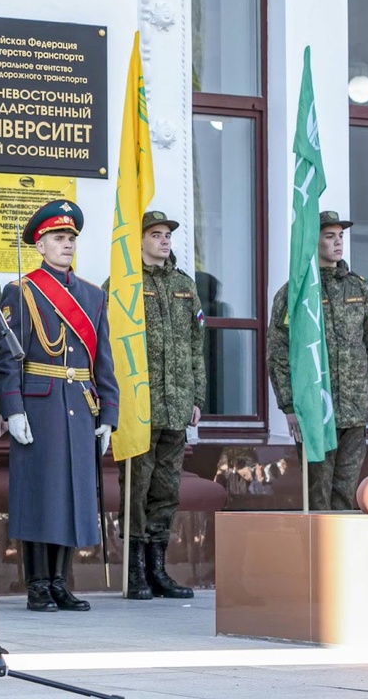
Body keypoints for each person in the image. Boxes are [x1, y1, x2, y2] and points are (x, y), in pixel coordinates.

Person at [0, 200, 118, 613]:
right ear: (41, 246)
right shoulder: (21, 290)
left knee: (72, 495)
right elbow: (7, 356)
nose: (66, 246)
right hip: (40, 404)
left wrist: (109, 417)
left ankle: (60, 583)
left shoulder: (93, 295)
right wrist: (11, 408)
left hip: (80, 405)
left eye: (70, 239)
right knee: (38, 494)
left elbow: (103, 359)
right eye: (58, 239)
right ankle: (37, 584)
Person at [105, 210, 203, 600]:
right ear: (140, 240)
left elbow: (196, 344)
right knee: (136, 487)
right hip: (138, 406)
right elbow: (108, 346)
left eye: (167, 235)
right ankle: (134, 571)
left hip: (176, 402)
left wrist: (197, 396)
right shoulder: (123, 284)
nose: (164, 241)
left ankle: (158, 568)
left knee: (167, 488)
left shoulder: (184, 285)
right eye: (156, 234)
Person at [267, 210, 368, 510]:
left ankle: (340, 556)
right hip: (314, 410)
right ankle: (319, 556)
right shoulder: (295, 293)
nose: (338, 243)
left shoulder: (358, 288)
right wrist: (289, 405)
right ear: (313, 240)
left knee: (345, 494)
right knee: (317, 494)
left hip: (354, 410)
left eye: (340, 236)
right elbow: (279, 351)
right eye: (329, 236)